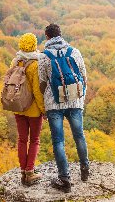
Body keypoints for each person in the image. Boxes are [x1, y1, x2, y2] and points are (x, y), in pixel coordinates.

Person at [38, 23, 89, 193]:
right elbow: (83, 77)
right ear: (61, 34)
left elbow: (42, 83)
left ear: (47, 37)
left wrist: (46, 102)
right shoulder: (74, 51)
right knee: (79, 136)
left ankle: (65, 179)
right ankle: (85, 169)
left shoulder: (44, 56)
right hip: (75, 101)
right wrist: (80, 99)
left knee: (58, 141)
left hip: (54, 104)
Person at [10, 33, 45, 186]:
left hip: (18, 107)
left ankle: (23, 172)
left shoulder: (15, 61)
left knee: (22, 139)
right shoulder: (35, 64)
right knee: (35, 140)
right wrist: (44, 109)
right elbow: (37, 91)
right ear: (34, 45)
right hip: (33, 110)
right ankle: (30, 172)